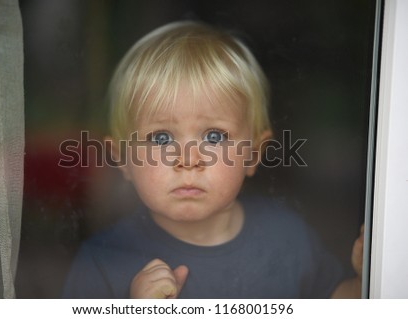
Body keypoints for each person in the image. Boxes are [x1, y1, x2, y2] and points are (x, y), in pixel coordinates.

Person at [62, 21, 362, 298]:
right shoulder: (102, 262)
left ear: (252, 154)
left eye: (214, 137)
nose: (188, 159)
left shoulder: (288, 239)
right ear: (124, 159)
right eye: (162, 138)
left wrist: (366, 281)